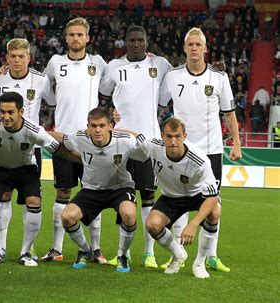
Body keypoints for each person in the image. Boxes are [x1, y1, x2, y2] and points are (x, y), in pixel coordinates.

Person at [160, 27, 242, 272]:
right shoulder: (173, 77)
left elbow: (229, 114)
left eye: (198, 44)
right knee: (179, 198)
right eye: (190, 44)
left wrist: (236, 142)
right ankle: (179, 254)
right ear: (184, 48)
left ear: (205, 48)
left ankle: (209, 257)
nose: (194, 48)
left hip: (211, 150)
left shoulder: (219, 78)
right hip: (181, 150)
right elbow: (160, 106)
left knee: (213, 204)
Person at [99, 25, 172, 269]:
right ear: (126, 42)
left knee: (149, 196)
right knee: (124, 197)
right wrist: (111, 112)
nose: (137, 44)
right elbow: (104, 94)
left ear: (147, 41)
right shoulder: (113, 67)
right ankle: (124, 253)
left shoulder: (160, 64)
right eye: (132, 40)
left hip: (149, 142)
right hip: (121, 142)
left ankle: (149, 253)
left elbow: (184, 72)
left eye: (141, 40)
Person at [42, 17, 108, 263]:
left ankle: (96, 249)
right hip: (63, 139)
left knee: (93, 193)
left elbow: (116, 86)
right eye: (71, 35)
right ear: (66, 38)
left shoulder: (98, 63)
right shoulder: (55, 62)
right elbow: (46, 92)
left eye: (80, 35)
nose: (76, 39)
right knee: (62, 191)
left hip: (92, 140)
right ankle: (57, 249)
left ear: (87, 38)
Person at [50, 108, 139, 272]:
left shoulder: (126, 140)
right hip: (91, 190)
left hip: (120, 188)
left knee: (129, 214)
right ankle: (85, 250)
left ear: (110, 126)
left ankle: (122, 255)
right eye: (94, 126)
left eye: (102, 125)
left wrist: (122, 130)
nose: (97, 130)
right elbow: (63, 139)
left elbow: (144, 143)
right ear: (88, 127)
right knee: (67, 217)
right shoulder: (79, 137)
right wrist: (42, 131)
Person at [0, 92, 61, 266]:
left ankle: (25, 252)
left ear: (21, 111)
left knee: (34, 201)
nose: (5, 117)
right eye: (2, 112)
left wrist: (81, 158)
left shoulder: (34, 130)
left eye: (10, 112)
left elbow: (56, 148)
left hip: (25, 168)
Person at [0, 38, 52, 256]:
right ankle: (1, 247)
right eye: (12, 56)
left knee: (30, 199)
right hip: (3, 144)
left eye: (21, 56)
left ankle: (29, 247)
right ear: (7, 58)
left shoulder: (40, 80)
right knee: (3, 196)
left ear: (28, 58)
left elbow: (53, 101)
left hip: (30, 145)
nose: (16, 60)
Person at [137, 117, 221, 279]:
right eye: (169, 136)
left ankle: (199, 263)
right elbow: (137, 137)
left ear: (185, 136)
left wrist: (194, 224)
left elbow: (212, 197)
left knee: (215, 211)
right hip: (171, 197)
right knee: (152, 225)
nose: (173, 141)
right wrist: (113, 130)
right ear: (162, 136)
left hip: (197, 195)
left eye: (177, 136)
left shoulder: (200, 160)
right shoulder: (153, 146)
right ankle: (178, 254)